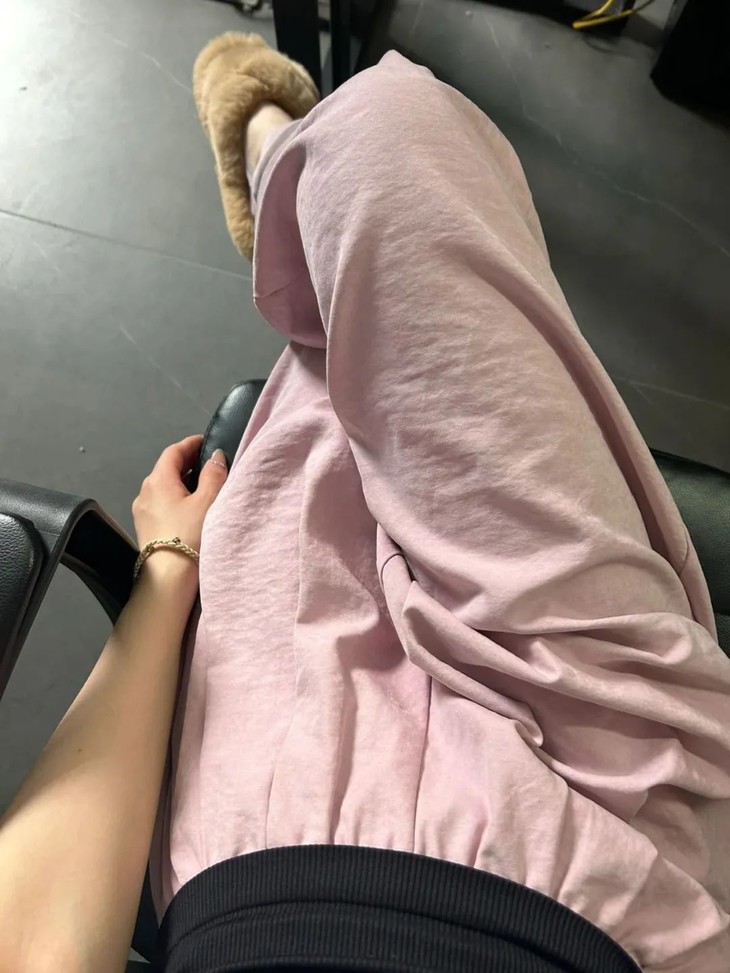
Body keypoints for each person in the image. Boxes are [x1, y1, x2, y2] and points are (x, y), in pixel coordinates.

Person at [1, 32, 729, 973]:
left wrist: (169, 572)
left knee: (336, 375)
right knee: (391, 137)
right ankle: (281, 171)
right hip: (607, 839)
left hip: (273, 832)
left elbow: (34, 939)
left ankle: (281, 177)